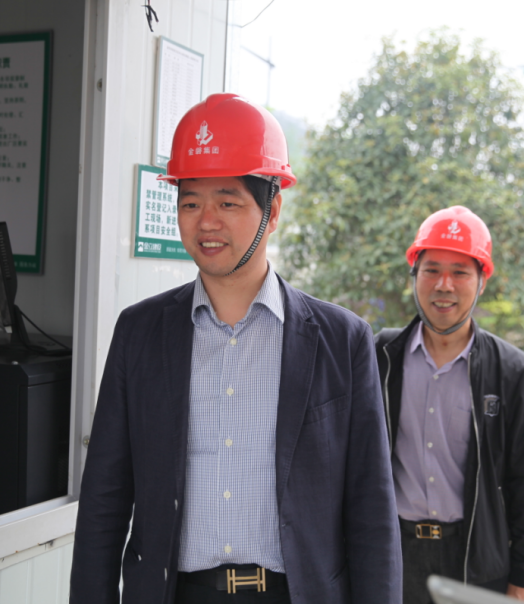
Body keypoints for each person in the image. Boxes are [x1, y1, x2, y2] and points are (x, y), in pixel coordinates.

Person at [70, 93, 402, 604]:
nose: (206, 221)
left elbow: (371, 511)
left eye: (228, 202)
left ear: (273, 211)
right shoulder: (139, 332)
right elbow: (104, 500)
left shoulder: (342, 340)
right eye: (190, 203)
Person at [374, 206, 524, 604]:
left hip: (475, 559)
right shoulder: (380, 357)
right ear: (414, 275)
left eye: (460, 272)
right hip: (394, 554)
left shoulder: (513, 372)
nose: (444, 285)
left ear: (482, 281)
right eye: (431, 270)